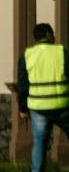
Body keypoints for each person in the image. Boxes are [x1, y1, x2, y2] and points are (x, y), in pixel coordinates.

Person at [18, 22, 69, 172]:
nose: (54, 36)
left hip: (38, 108)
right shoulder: (61, 52)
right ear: (47, 35)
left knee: (39, 142)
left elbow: (23, 85)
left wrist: (22, 108)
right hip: (62, 107)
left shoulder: (26, 55)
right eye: (52, 33)